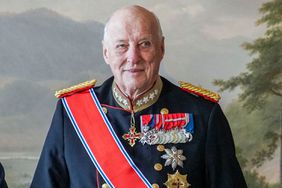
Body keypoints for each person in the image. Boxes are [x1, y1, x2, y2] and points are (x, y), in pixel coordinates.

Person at [31, 5, 247, 188]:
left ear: (161, 48)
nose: (133, 58)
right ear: (106, 53)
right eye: (121, 46)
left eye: (144, 44)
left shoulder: (203, 114)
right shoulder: (71, 112)